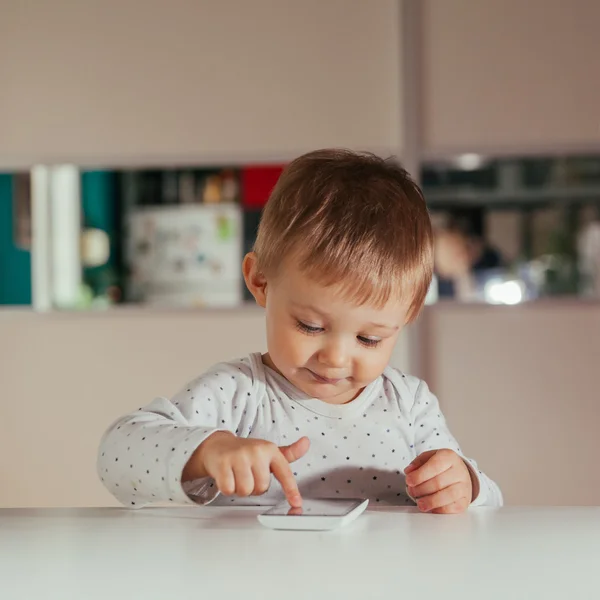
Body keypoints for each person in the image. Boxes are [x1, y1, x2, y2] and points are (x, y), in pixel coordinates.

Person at [98, 150, 502, 514]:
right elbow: (116, 455)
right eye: (310, 326)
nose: (336, 358)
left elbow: (487, 506)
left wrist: (464, 484)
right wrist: (209, 451)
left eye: (369, 339)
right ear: (260, 281)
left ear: (408, 315)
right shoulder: (238, 394)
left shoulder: (409, 406)